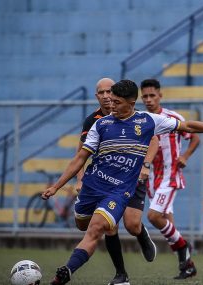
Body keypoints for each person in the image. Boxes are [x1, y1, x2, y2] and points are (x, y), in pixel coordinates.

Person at [43, 79, 203, 285]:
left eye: (116, 101)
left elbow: (188, 126)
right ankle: (136, 261)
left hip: (120, 190)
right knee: (83, 224)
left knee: (98, 229)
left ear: (131, 103)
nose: (110, 105)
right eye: (109, 99)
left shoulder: (148, 121)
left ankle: (67, 272)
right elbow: (80, 157)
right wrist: (56, 186)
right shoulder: (100, 124)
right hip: (93, 185)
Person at [75, 77, 157, 285]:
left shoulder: (136, 116)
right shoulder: (93, 121)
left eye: (108, 92)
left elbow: (154, 140)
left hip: (133, 176)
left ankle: (141, 234)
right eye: (101, 93)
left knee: (131, 224)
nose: (105, 96)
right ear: (97, 96)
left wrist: (146, 165)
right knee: (109, 227)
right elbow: (81, 154)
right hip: (106, 181)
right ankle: (121, 274)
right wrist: (79, 179)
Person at [139, 79, 201, 279]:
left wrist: (184, 156)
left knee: (153, 217)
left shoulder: (172, 118)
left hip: (169, 175)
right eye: (145, 96)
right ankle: (187, 265)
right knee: (169, 226)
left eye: (152, 95)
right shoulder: (141, 119)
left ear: (160, 96)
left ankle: (184, 249)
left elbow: (195, 138)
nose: (148, 100)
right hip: (151, 178)